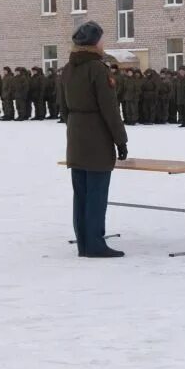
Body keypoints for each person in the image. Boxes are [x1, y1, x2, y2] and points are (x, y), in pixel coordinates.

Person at [61, 21, 128, 258]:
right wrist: (121, 140)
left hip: (76, 135)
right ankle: (96, 243)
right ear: (94, 42)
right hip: (97, 136)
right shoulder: (98, 69)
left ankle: (84, 243)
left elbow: (62, 107)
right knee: (97, 193)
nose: (103, 42)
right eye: (101, 38)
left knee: (81, 194)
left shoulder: (68, 69)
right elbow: (110, 109)